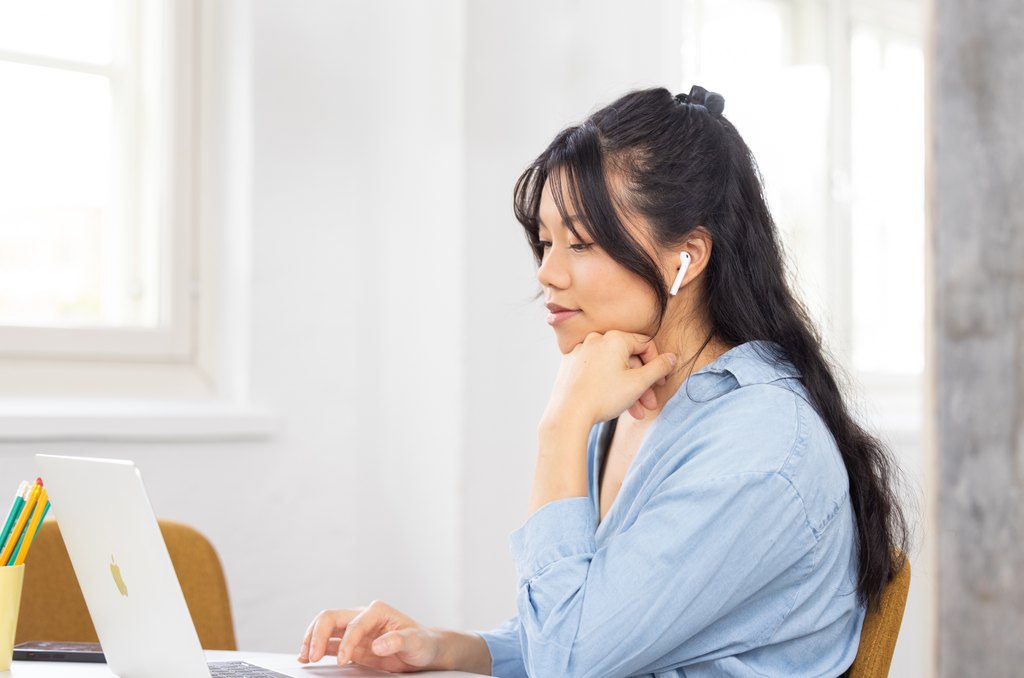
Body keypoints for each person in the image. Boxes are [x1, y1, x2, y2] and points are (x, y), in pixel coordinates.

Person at [297, 86, 908, 677]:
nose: (547, 272)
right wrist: (446, 649)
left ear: (687, 258)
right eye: (544, 241)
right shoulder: (632, 402)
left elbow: (570, 659)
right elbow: (592, 624)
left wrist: (560, 431)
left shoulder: (760, 445)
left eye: (581, 243)